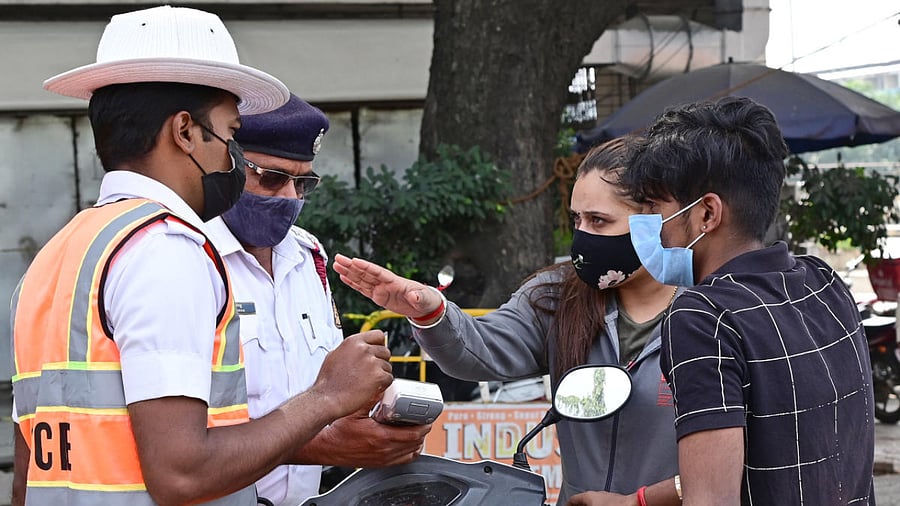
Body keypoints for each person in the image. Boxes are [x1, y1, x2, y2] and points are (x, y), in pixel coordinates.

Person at [9, 7, 393, 506]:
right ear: (185, 132)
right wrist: (327, 398)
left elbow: (27, 475)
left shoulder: (62, 253)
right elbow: (182, 475)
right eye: (231, 135)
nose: (231, 157)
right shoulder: (166, 249)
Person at [335, 138, 686, 506]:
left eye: (599, 221)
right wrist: (429, 311)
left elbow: (738, 455)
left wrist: (645, 500)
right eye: (576, 220)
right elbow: (482, 350)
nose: (583, 237)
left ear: (657, 219)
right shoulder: (558, 296)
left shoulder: (711, 311)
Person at [621, 96, 875, 505]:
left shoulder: (703, 317)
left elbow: (712, 499)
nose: (647, 225)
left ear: (707, 214)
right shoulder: (824, 282)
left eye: (654, 207)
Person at [202, 94, 431, 505]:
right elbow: (179, 443)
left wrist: (370, 423)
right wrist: (323, 444)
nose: (291, 196)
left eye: (303, 182)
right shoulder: (189, 258)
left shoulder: (307, 257)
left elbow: (318, 389)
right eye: (272, 177)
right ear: (227, 163)